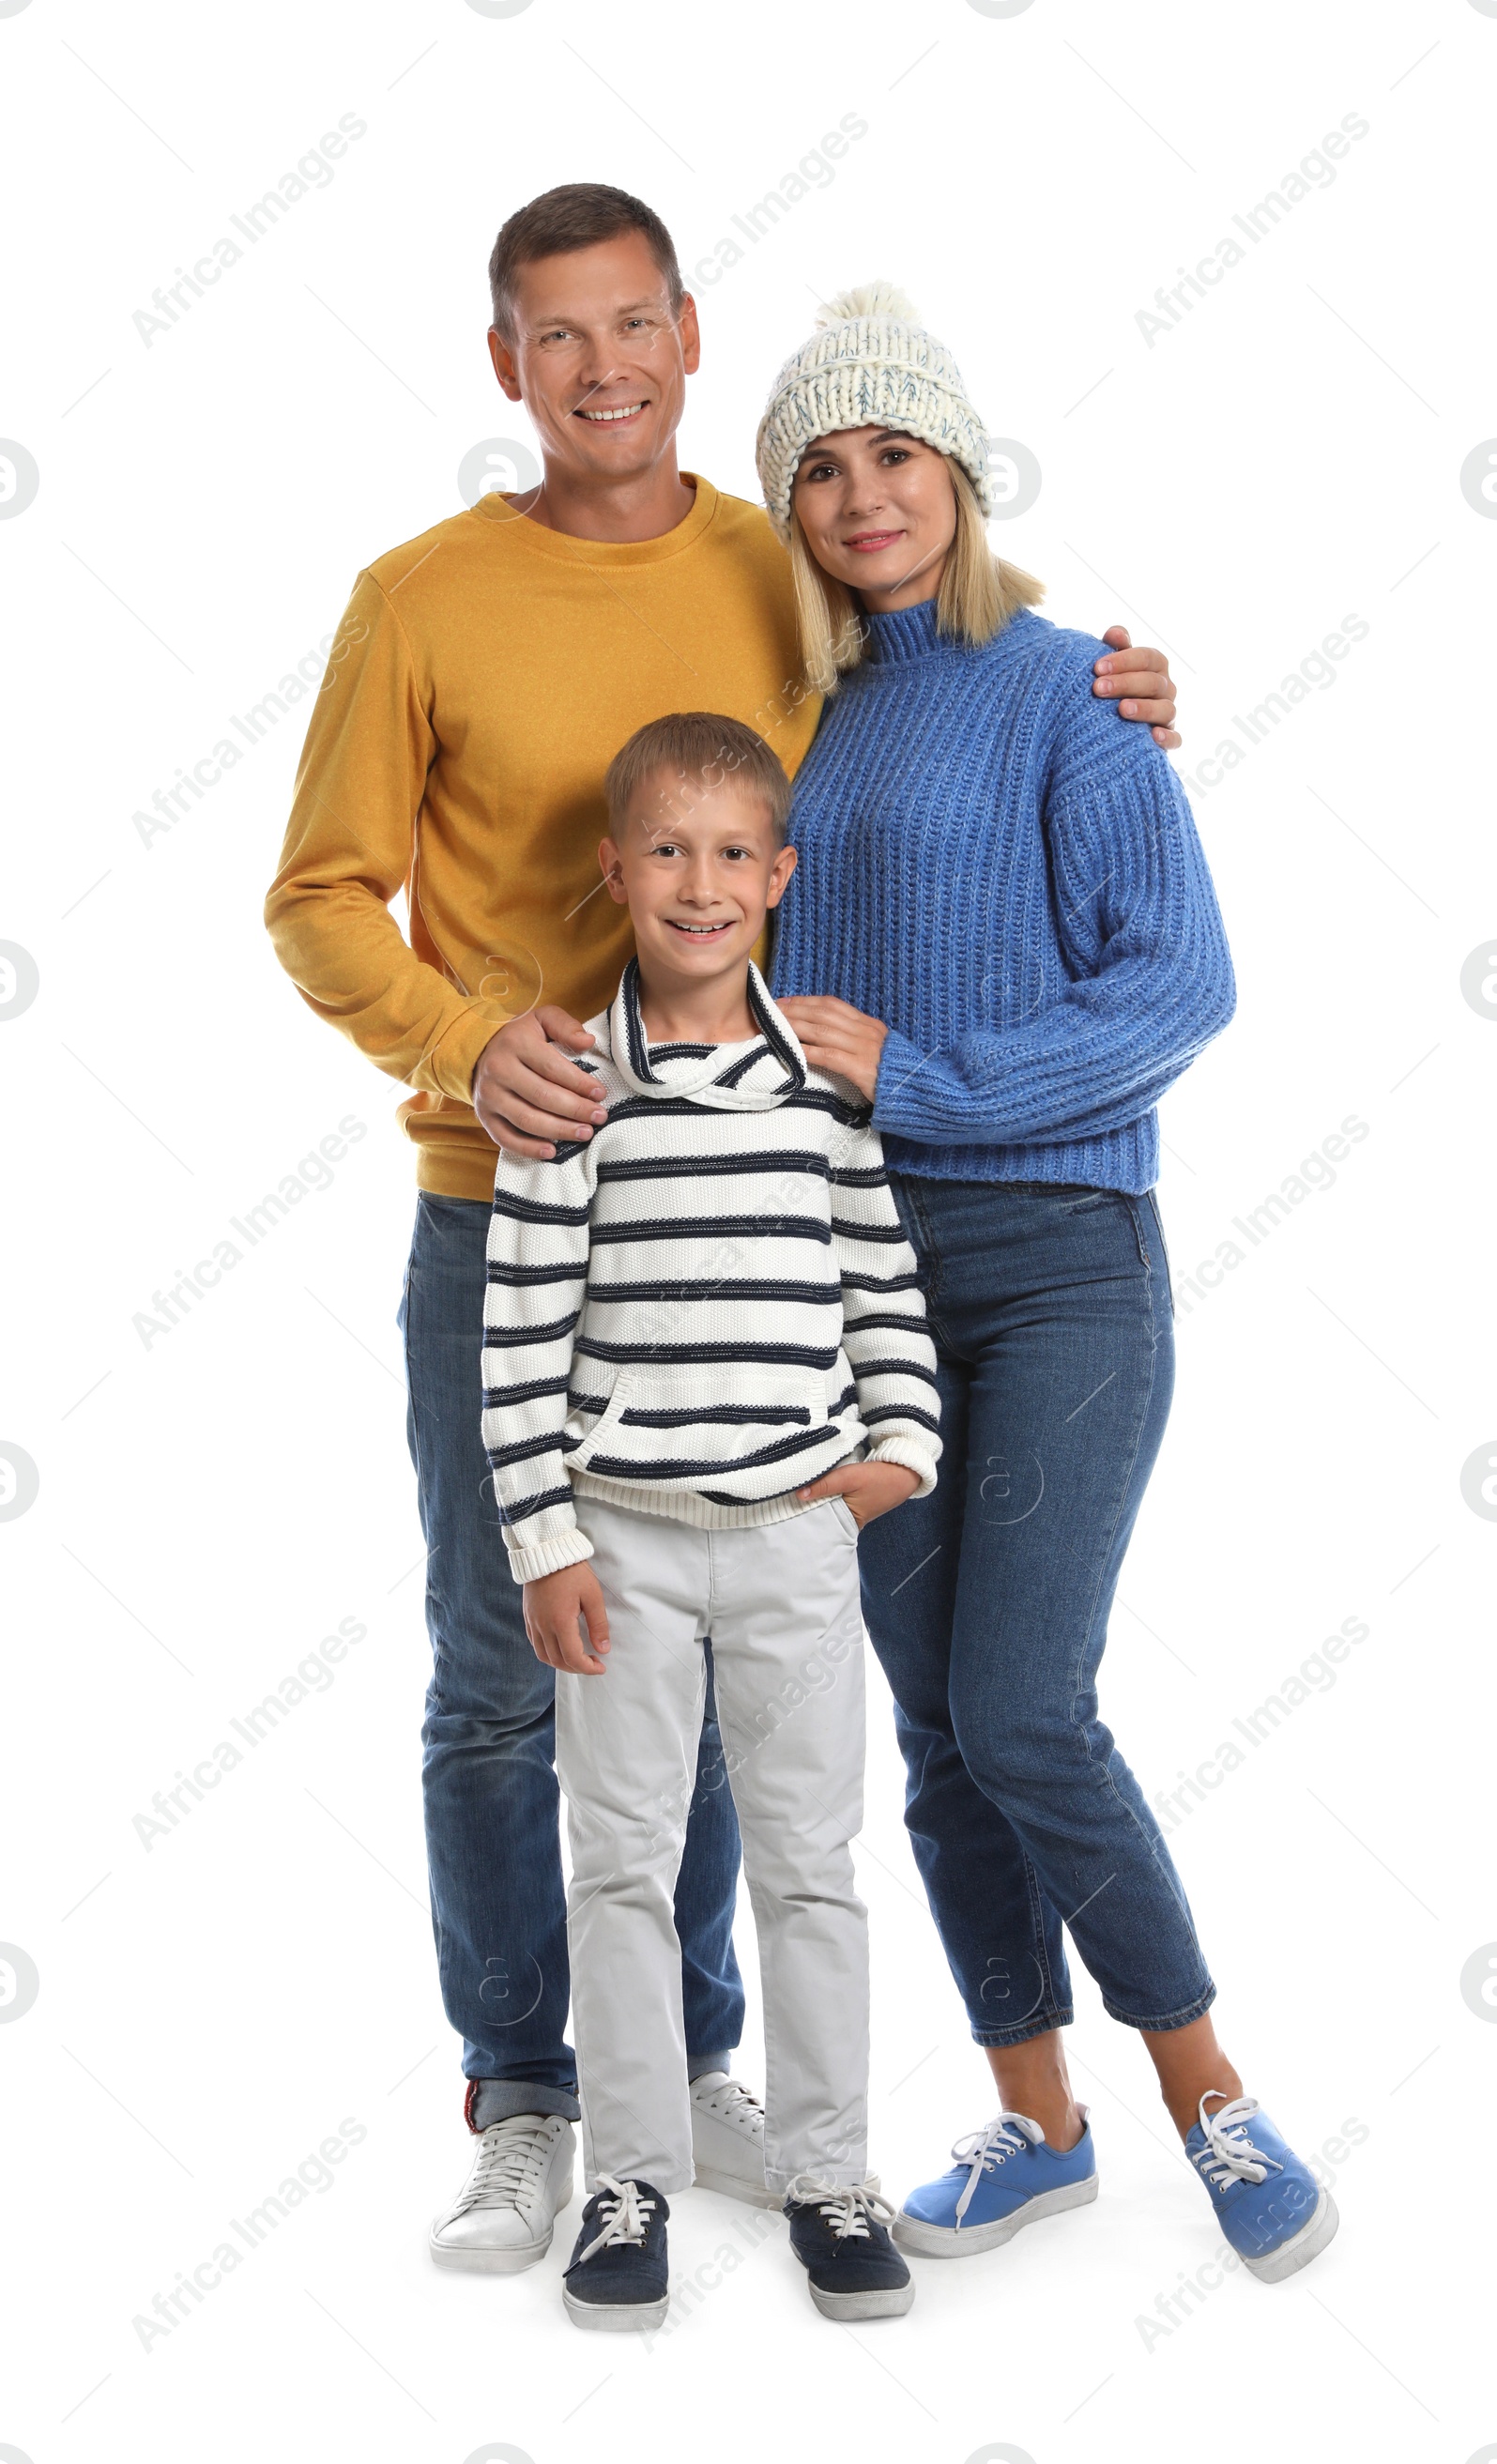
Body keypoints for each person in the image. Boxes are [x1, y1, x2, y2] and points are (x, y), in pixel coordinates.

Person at [265, 178, 1181, 2273]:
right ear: (507, 366)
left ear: (686, 333)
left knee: (696, 1682)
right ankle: (523, 2096)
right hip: (502, 1200)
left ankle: (674, 2076)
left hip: (760, 1196)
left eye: (631, 326)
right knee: (515, 1660)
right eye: (552, 337)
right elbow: (317, 892)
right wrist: (463, 1031)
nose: (598, 369)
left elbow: (941, 663)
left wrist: (1102, 691)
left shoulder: (776, 570)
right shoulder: (414, 595)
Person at [761, 285, 1337, 2286]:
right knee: (931, 1728)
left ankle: (1210, 2096)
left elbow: (1178, 985)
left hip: (1059, 1258)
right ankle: (1034, 2121)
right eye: (817, 468)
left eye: (889, 452)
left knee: (1024, 1705)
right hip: (852, 1280)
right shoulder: (789, 711)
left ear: (958, 469)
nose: (859, 494)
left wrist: (917, 1075)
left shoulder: (1068, 683)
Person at [483, 709, 940, 2327]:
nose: (700, 881)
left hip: (800, 1535)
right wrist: (543, 1535)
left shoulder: (825, 1079)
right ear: (613, 869)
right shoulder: (567, 1083)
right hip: (623, 1538)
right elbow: (524, 1327)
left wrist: (904, 1443)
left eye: (734, 850)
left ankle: (829, 2171)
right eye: (666, 849)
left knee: (812, 1861)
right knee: (621, 1859)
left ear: (780, 873)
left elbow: (883, 1276)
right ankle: (629, 2176)